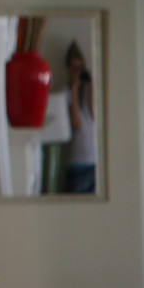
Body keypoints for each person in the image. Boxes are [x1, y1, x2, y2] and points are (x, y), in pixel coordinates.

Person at [62, 41, 96, 194]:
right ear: (69, 69)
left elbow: (95, 116)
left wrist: (92, 85)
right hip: (77, 164)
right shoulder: (66, 93)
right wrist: (74, 87)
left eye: (80, 68)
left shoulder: (89, 91)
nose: (78, 72)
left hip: (94, 163)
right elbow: (77, 123)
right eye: (74, 68)